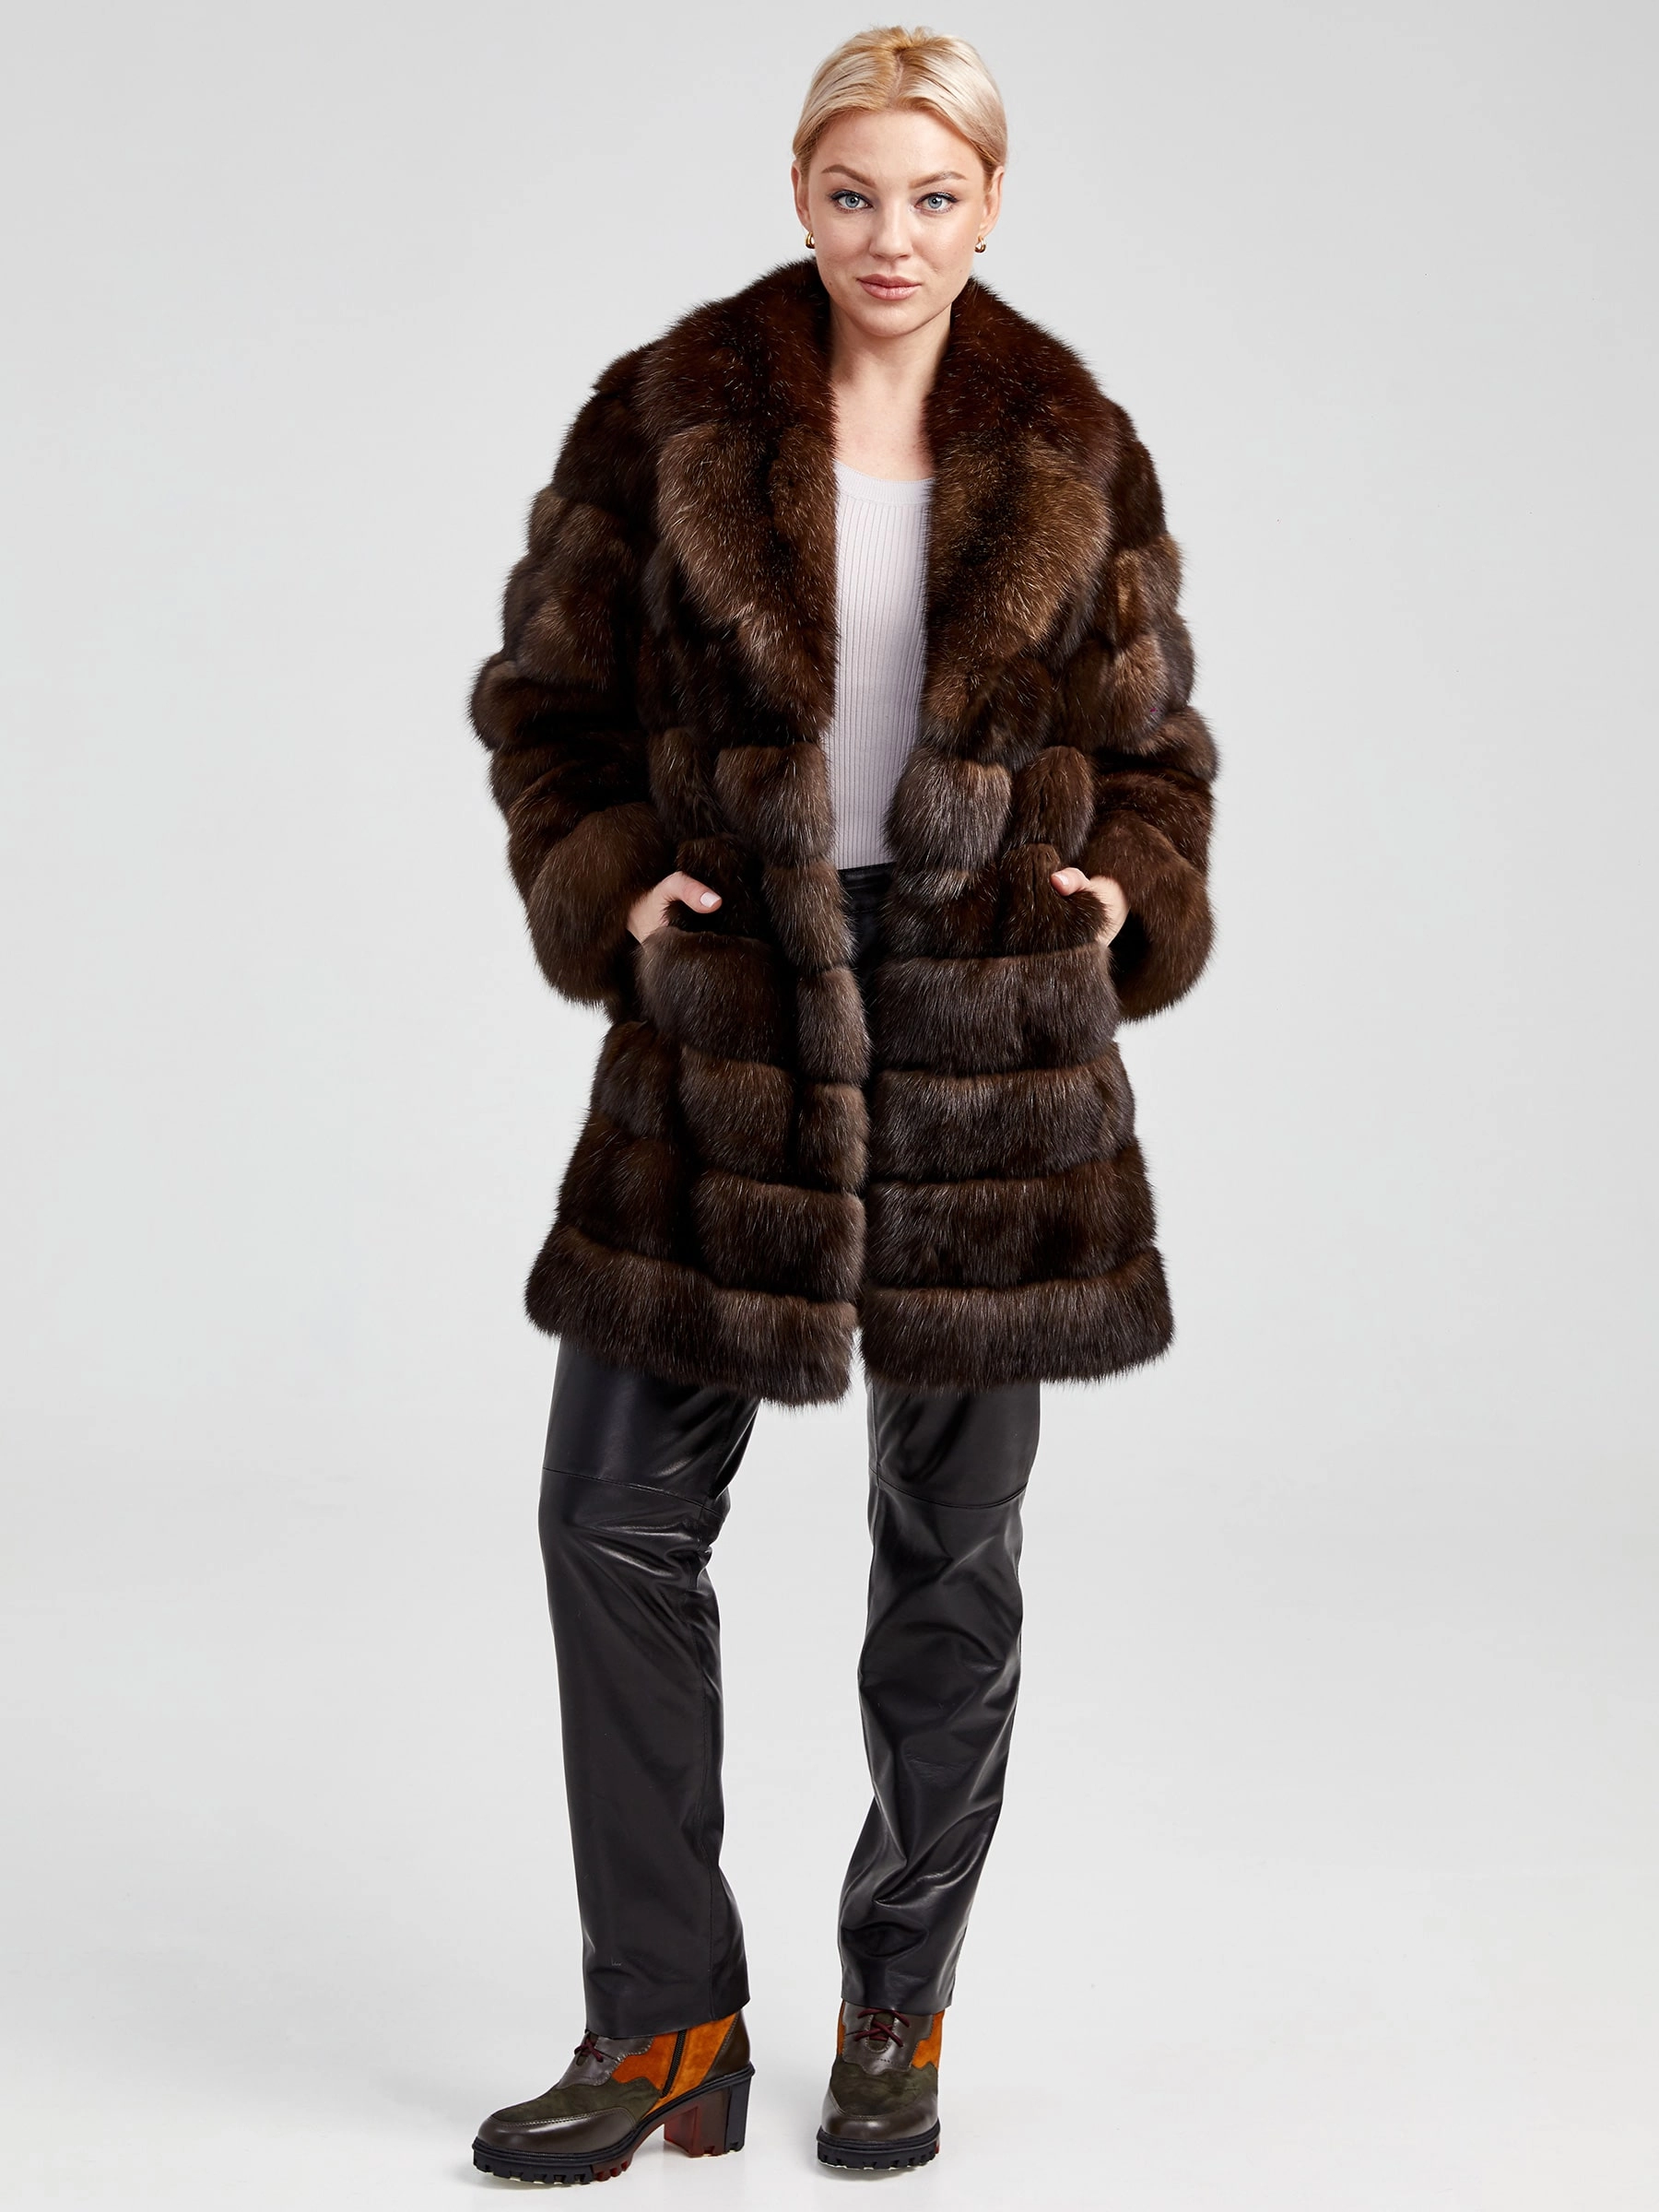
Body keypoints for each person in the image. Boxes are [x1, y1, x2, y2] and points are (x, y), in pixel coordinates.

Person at [465, 24, 1217, 2185]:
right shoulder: (668, 417)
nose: (894, 237)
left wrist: (1126, 879)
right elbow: (546, 702)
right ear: (799, 191)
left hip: (990, 1040)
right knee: (609, 1516)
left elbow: (1155, 746)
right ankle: (666, 2019)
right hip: (739, 1018)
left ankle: (901, 2001)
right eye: (855, 192)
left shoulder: (1074, 447)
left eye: (936, 196)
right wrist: (614, 875)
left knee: (950, 1556)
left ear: (992, 204)